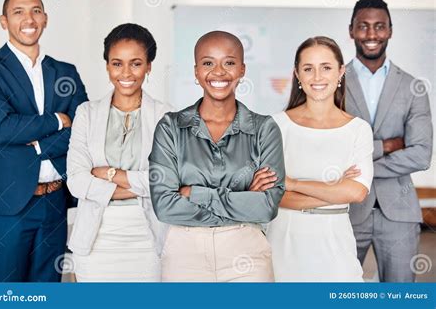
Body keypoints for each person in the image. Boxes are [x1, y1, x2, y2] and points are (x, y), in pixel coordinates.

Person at [0, 0, 88, 282]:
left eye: (35, 11)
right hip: (8, 204)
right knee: (4, 292)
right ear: (4, 21)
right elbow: (0, 129)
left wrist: (32, 141)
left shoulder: (65, 72)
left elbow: (84, 133)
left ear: (45, 18)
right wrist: (57, 120)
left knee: (48, 290)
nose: (28, 18)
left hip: (55, 201)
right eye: (18, 12)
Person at [149, 31, 285, 282]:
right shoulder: (171, 127)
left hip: (246, 253)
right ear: (196, 71)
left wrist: (195, 193)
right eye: (208, 63)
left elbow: (266, 207)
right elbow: (165, 206)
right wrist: (244, 200)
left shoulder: (264, 129)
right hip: (184, 254)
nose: (219, 72)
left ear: (242, 70)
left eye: (229, 63)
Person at [66, 23, 173, 282]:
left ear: (149, 66)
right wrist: (139, 183)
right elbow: (77, 182)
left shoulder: (165, 116)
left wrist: (109, 173)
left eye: (136, 63)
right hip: (95, 239)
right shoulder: (87, 113)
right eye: (117, 63)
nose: (126, 72)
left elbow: (169, 180)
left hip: (148, 238)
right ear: (107, 66)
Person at [266, 36, 374, 282]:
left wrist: (292, 184)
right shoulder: (275, 126)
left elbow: (356, 193)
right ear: (297, 74)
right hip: (284, 245)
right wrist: (336, 191)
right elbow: (270, 196)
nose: (317, 77)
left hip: (335, 250)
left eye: (326, 67)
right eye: (308, 68)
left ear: (340, 72)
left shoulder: (358, 129)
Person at [346, 0, 433, 282]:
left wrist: (361, 162)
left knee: (399, 298)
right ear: (351, 30)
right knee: (335, 294)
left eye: (379, 26)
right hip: (343, 211)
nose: (372, 35)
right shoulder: (332, 83)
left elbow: (421, 154)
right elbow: (332, 149)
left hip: (400, 214)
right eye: (364, 26)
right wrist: (386, 146)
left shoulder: (413, 87)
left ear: (390, 30)